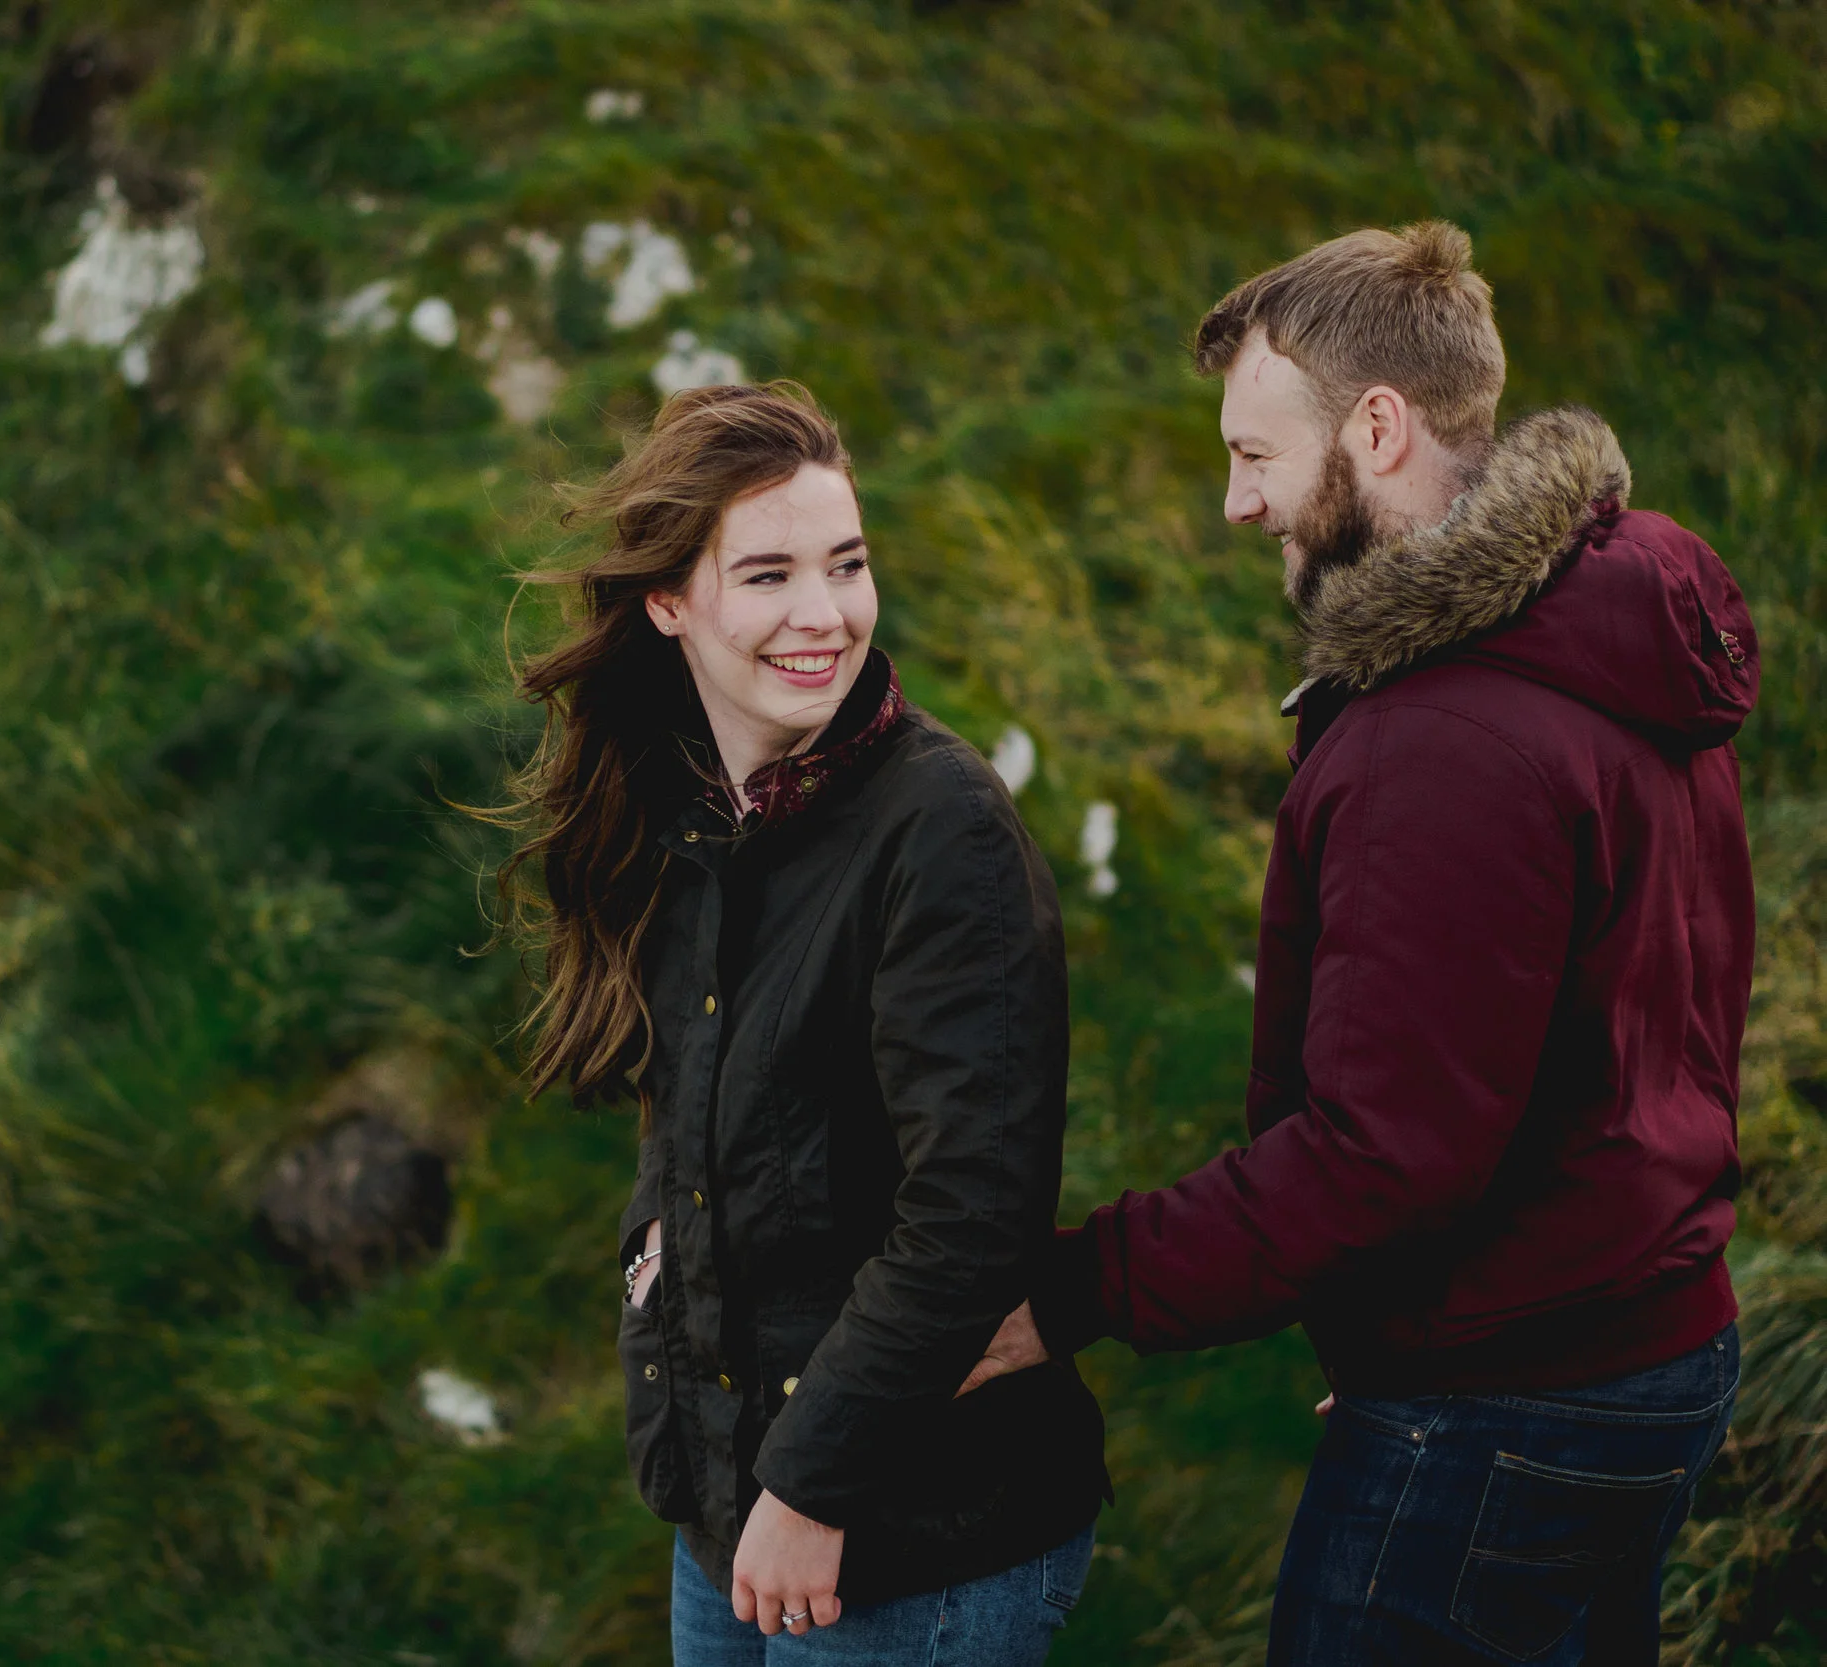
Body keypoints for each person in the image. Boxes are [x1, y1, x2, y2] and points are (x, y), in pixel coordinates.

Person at [961, 222, 1759, 1664]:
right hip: (1648, 1343)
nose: (1234, 503)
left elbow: (1382, 1156)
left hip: (1512, 1402)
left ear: (1377, 428)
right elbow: (1624, 1024)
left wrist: (1065, 1294)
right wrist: (1405, 1324)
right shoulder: (1613, 624)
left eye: (1255, 455)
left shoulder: (1444, 735)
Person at [498, 382, 1109, 1663]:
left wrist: (809, 1485)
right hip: (729, 1509)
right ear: (667, 602)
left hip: (912, 1536)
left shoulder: (941, 832)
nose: (822, 613)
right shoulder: (694, 812)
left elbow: (971, 1217)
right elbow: (696, 1139)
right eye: (768, 574)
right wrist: (660, 1310)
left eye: (846, 563)